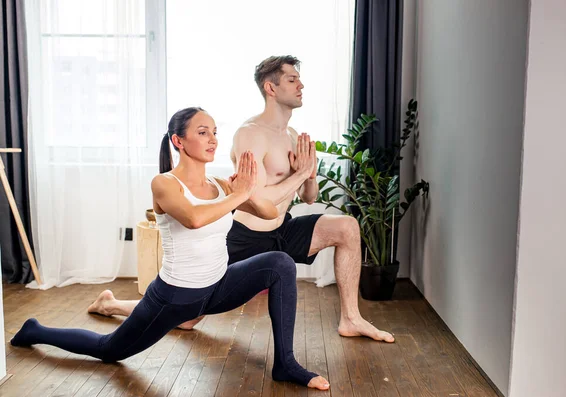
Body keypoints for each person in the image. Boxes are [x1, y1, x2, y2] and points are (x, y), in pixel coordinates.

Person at [10, 107, 329, 390]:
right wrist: (237, 196)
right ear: (178, 140)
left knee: (280, 263)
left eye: (215, 132)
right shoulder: (164, 184)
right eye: (203, 132)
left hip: (217, 288)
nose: (213, 139)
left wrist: (247, 191)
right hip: (174, 299)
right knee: (109, 351)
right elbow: (193, 219)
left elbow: (271, 213)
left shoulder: (221, 185)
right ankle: (35, 330)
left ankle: (285, 363)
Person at [89, 55, 394, 343]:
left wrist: (309, 174)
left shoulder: (292, 135)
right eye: (292, 79)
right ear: (271, 87)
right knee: (185, 319)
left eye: (300, 80)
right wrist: (300, 174)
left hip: (281, 230)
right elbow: (258, 199)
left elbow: (309, 198)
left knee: (346, 227)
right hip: (245, 237)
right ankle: (112, 305)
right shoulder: (250, 134)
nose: (301, 86)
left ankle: (351, 318)